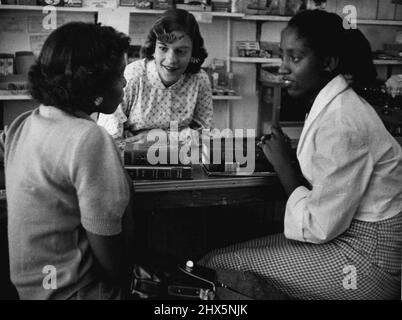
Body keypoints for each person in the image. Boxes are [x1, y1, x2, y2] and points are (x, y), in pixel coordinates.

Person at [200, 10, 402, 300]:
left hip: (367, 262)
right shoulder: (333, 104)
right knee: (218, 256)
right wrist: (288, 156)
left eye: (295, 58)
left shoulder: (343, 120)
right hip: (346, 237)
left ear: (328, 62)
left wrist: (284, 165)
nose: (283, 67)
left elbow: (318, 226)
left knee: (216, 267)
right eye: (283, 56)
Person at [0, 22, 135, 299]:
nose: (124, 83)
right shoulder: (90, 138)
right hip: (77, 292)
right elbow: (111, 255)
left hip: (33, 291)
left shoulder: (22, 124)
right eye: (119, 75)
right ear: (94, 83)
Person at [97, 9, 213, 141]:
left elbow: (205, 134)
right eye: (163, 49)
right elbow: (108, 138)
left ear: (193, 53)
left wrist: (155, 137)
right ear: (153, 49)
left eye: (181, 51)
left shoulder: (200, 79)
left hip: (181, 158)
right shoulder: (131, 76)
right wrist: (183, 135)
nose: (171, 60)